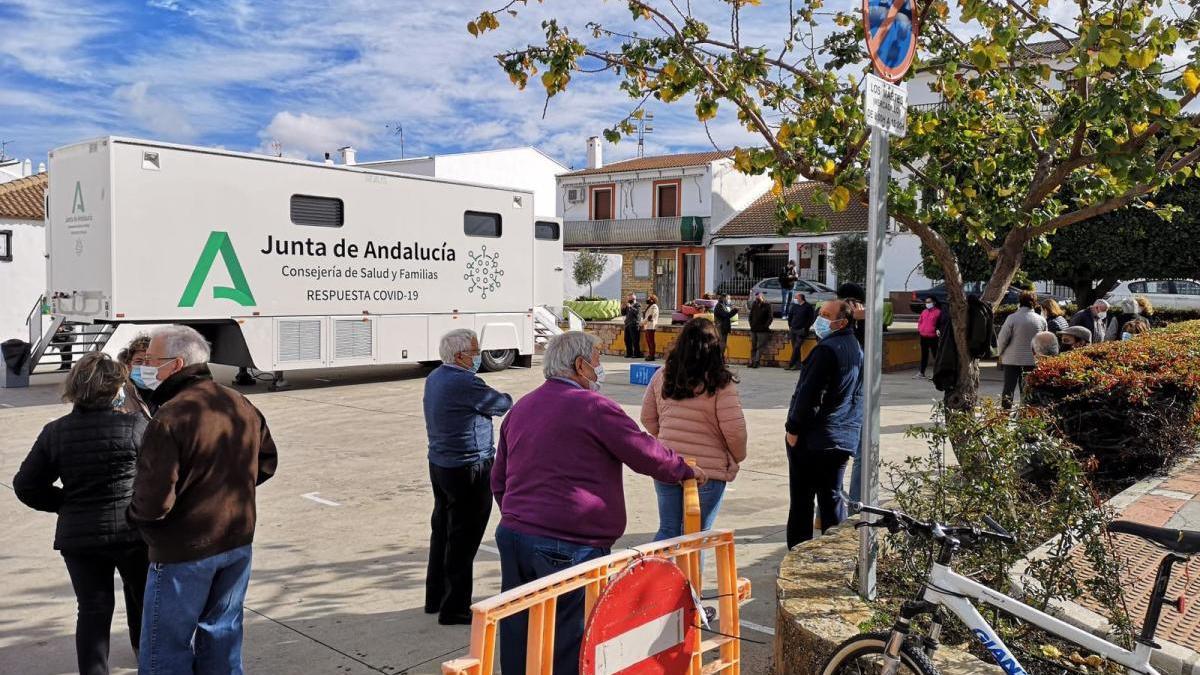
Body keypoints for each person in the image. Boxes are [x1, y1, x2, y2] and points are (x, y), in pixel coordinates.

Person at [491, 331, 704, 675]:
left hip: (515, 534)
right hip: (568, 545)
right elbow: (644, 452)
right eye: (598, 359)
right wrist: (684, 469)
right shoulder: (594, 407)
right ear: (580, 365)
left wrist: (523, 516)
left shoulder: (524, 406)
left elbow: (498, 478)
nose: (601, 367)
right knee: (568, 640)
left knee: (519, 627)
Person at [127, 325, 278, 674]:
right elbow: (266, 462)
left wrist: (135, 519)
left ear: (176, 364)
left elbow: (154, 502)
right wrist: (227, 489)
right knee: (222, 638)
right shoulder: (238, 402)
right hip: (236, 539)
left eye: (151, 360)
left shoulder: (170, 416)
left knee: (164, 649)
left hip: (184, 550)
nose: (144, 366)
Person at [13, 353, 149, 675]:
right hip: (132, 534)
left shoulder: (55, 432)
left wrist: (66, 503)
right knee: (147, 603)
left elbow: (25, 485)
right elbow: (160, 477)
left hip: (80, 538)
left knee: (92, 610)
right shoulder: (136, 426)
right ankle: (150, 659)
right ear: (116, 387)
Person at [423, 329, 513, 625]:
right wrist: (507, 396)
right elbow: (500, 404)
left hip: (441, 463)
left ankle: (436, 597)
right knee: (463, 537)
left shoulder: (435, 377)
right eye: (474, 351)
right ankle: (455, 607)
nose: (478, 356)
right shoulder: (465, 383)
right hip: (468, 466)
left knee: (443, 532)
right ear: (460, 355)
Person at [641, 318, 747, 540]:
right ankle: (690, 576)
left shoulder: (663, 375)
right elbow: (735, 431)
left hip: (669, 464)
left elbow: (647, 417)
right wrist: (736, 457)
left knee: (668, 530)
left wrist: (665, 439)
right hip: (708, 470)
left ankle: (660, 575)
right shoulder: (720, 383)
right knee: (695, 536)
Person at [784, 300, 863, 548]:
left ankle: (799, 552)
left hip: (815, 438)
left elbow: (810, 395)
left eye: (826, 315)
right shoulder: (854, 346)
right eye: (820, 313)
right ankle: (834, 554)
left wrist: (793, 428)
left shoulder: (826, 350)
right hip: (842, 436)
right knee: (831, 498)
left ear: (842, 322)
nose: (820, 319)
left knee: (802, 501)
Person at [996, 291, 1047, 409]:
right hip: (1031, 361)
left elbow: (1002, 338)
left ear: (1020, 302)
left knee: (1008, 390)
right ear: (1034, 303)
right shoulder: (1041, 320)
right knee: (1027, 391)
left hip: (1012, 360)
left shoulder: (1012, 318)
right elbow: (1044, 341)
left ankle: (1004, 416)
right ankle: (1025, 416)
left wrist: (1000, 353)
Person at [116, 332, 154, 418]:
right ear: (129, 366)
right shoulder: (120, 395)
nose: (144, 365)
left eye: (149, 361)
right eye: (138, 361)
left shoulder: (168, 393)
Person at [785, 293, 816, 371]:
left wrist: (805, 328)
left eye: (796, 297)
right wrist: (790, 325)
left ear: (801, 298)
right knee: (795, 348)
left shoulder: (808, 306)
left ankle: (791, 364)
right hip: (793, 329)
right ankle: (798, 365)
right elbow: (790, 315)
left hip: (801, 330)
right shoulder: (795, 306)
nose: (795, 299)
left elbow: (811, 318)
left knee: (797, 347)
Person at [916, 297, 942, 379]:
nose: (927, 303)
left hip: (933, 336)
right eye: (926, 302)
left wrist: (936, 330)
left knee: (935, 355)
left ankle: (937, 373)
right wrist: (920, 329)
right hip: (923, 336)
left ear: (933, 303)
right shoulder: (924, 312)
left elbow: (940, 324)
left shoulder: (938, 312)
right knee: (924, 355)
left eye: (929, 302)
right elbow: (920, 321)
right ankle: (921, 372)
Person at [748, 292, 773, 368]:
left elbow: (770, 317)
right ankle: (752, 361)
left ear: (762, 297)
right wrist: (751, 324)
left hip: (762, 330)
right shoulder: (754, 304)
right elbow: (750, 316)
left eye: (758, 297)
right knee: (753, 347)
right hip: (754, 329)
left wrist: (765, 326)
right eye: (756, 297)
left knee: (760, 347)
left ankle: (756, 362)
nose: (757, 299)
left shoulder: (767, 305)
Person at [621, 292, 642, 358]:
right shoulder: (628, 305)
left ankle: (637, 354)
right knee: (627, 340)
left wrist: (631, 307)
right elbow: (623, 314)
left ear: (634, 298)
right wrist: (623, 308)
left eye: (631, 298)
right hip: (627, 324)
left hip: (634, 324)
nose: (629, 299)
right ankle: (629, 353)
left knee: (635, 340)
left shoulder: (637, 305)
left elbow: (637, 313)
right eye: (628, 298)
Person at [641, 294, 660, 361]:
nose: (647, 299)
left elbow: (650, 317)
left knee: (651, 341)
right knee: (648, 341)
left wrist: (642, 323)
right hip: (647, 326)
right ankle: (650, 354)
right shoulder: (650, 306)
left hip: (651, 326)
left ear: (652, 300)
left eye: (649, 298)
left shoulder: (654, 306)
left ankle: (652, 355)